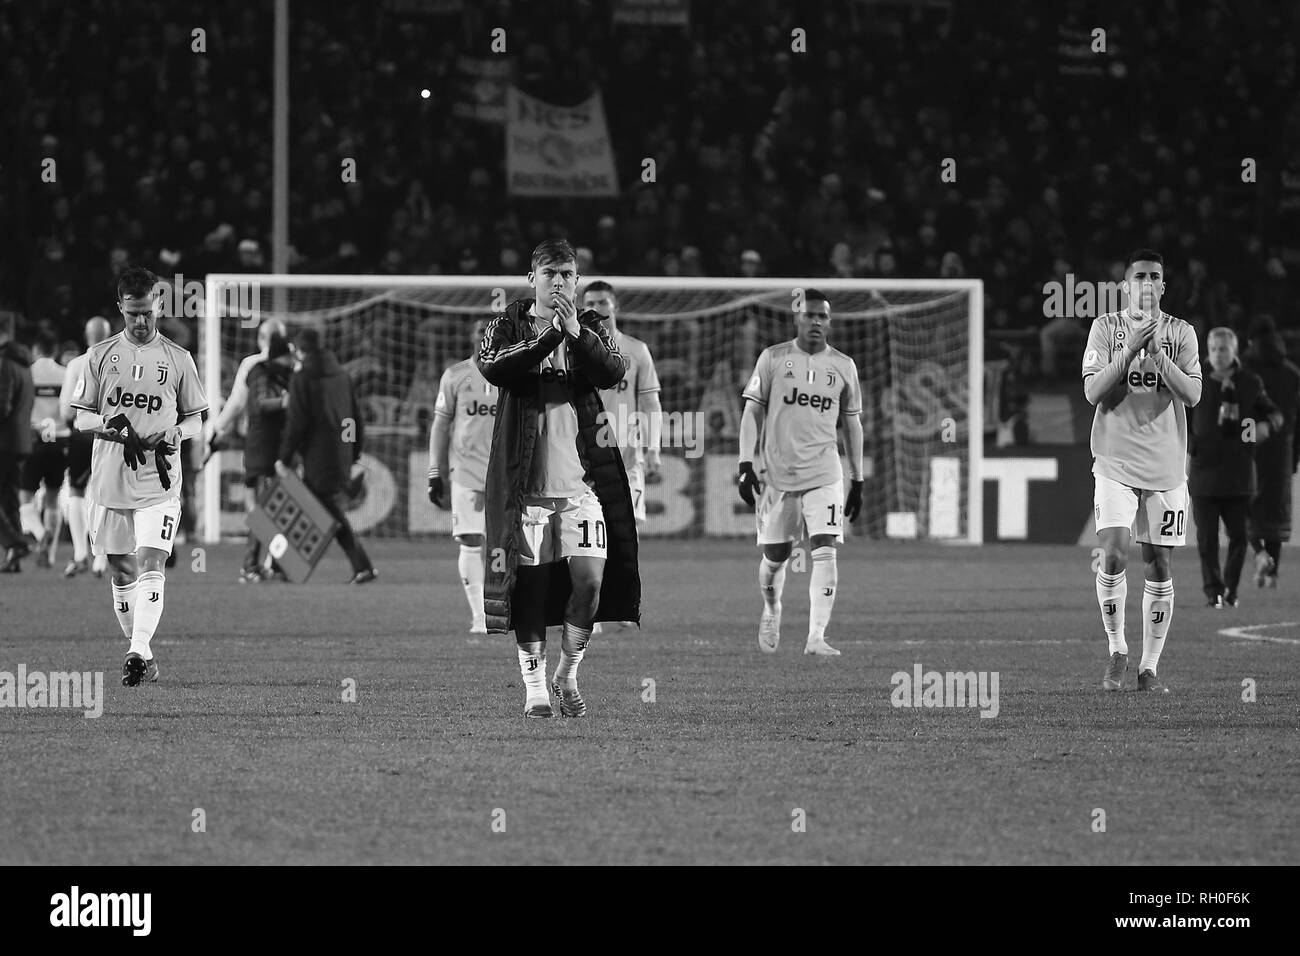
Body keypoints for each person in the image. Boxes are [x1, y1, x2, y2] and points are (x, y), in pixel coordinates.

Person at [476, 238, 640, 719]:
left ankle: (567, 673)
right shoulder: (504, 325)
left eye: (568, 274)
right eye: (550, 273)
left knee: (589, 582)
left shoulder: (588, 326)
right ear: (532, 278)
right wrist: (549, 337)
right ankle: (534, 690)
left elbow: (613, 370)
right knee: (529, 589)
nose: (560, 282)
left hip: (582, 486)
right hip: (524, 488)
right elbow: (494, 367)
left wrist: (574, 333)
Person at [69, 267, 209, 686]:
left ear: (159, 305)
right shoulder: (98, 356)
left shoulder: (178, 359)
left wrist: (177, 432)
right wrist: (109, 424)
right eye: (133, 314)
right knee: (121, 572)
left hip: (158, 483)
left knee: (152, 561)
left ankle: (136, 650)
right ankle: (143, 654)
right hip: (111, 479)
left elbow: (197, 419)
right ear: (120, 309)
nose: (142, 321)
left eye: (148, 312)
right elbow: (79, 418)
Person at [1082, 250, 1202, 693]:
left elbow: (1192, 395)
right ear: (1125, 285)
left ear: (1163, 286)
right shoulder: (1105, 329)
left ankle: (1149, 669)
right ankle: (1117, 651)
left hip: (1167, 465)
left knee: (1160, 563)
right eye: (1139, 276)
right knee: (1113, 553)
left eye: (1155, 276)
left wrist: (1157, 354)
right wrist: (1132, 348)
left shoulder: (1182, 332)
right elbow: (1094, 392)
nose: (1147, 282)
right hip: (1114, 458)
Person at [737, 288, 865, 657]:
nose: (816, 322)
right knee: (776, 557)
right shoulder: (773, 358)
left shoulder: (843, 366)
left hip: (825, 471)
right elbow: (751, 413)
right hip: (777, 475)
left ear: (830, 321)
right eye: (810, 315)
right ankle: (772, 608)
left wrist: (857, 478)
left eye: (823, 316)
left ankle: (816, 637)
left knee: (825, 547)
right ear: (797, 318)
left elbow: (852, 425)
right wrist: (746, 465)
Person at [583, 279, 662, 634]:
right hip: (585, 459)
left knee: (625, 534)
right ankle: (591, 606)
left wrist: (654, 450)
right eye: (591, 302)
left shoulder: (636, 350)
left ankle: (619, 604)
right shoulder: (576, 348)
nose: (598, 308)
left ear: (615, 306)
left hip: (628, 460)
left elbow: (651, 405)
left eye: (603, 302)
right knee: (588, 533)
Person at [1188, 328, 1282, 608]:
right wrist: (1191, 444)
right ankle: (1213, 592)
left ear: (1234, 351)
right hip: (1204, 472)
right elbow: (1181, 418)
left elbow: (1274, 416)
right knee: (1206, 541)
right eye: (1213, 349)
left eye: (1223, 349)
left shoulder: (1250, 382)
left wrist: (1255, 431)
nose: (1218, 354)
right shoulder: (1195, 381)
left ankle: (1231, 589)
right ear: (1207, 350)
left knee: (1239, 538)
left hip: (1239, 473)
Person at [275, 327, 376, 585]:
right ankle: (285, 566)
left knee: (326, 511)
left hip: (317, 457)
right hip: (341, 451)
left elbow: (297, 422)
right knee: (322, 509)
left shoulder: (303, 378)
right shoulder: (341, 376)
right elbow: (355, 417)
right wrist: (353, 450)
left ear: (299, 350)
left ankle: (362, 566)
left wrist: (284, 456)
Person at [428, 319, 497, 633]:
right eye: (481, 331)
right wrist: (434, 471)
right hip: (466, 472)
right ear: (473, 336)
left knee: (513, 547)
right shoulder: (455, 376)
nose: (486, 337)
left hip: (506, 473)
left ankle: (510, 610)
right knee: (470, 541)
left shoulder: (515, 375)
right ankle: (479, 618)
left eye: (493, 331)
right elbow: (441, 425)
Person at [210, 318, 289, 582]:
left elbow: (236, 404)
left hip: (257, 444)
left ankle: (254, 564)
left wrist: (217, 429)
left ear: (261, 339)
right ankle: (275, 563)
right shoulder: (294, 364)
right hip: (288, 446)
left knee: (255, 506)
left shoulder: (253, 366)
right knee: (280, 506)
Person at [1241, 314, 1300, 588]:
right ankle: (1272, 572)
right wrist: (1294, 455)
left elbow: (1239, 410)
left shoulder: (1243, 370)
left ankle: (1260, 554)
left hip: (1249, 444)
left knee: (1243, 504)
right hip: (1282, 448)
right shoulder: (1291, 372)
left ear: (1251, 339)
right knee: (1275, 510)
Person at [59, 316, 113, 577]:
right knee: (106, 495)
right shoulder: (121, 364)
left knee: (77, 493)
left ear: (86, 335)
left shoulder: (76, 365)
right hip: (110, 435)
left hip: (81, 434)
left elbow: (66, 410)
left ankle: (80, 552)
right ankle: (101, 558)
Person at [240, 329, 294, 582]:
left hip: (269, 451)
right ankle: (251, 564)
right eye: (288, 358)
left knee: (271, 510)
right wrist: (283, 403)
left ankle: (274, 563)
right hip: (262, 451)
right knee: (265, 511)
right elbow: (260, 404)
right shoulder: (261, 375)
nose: (291, 363)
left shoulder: (277, 375)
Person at [18, 332, 68, 567]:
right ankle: (48, 554)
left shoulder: (28, 374)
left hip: (34, 440)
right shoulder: (65, 374)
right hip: (59, 442)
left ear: (35, 350)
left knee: (24, 495)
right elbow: (71, 410)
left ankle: (39, 534)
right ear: (54, 350)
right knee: (52, 499)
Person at [0, 314, 35, 572]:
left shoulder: (4, 364)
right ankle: (13, 558)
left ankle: (16, 541)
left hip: (4, 441)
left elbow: (2, 405)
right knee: (10, 499)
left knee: (8, 498)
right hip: (21, 440)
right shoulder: (24, 364)